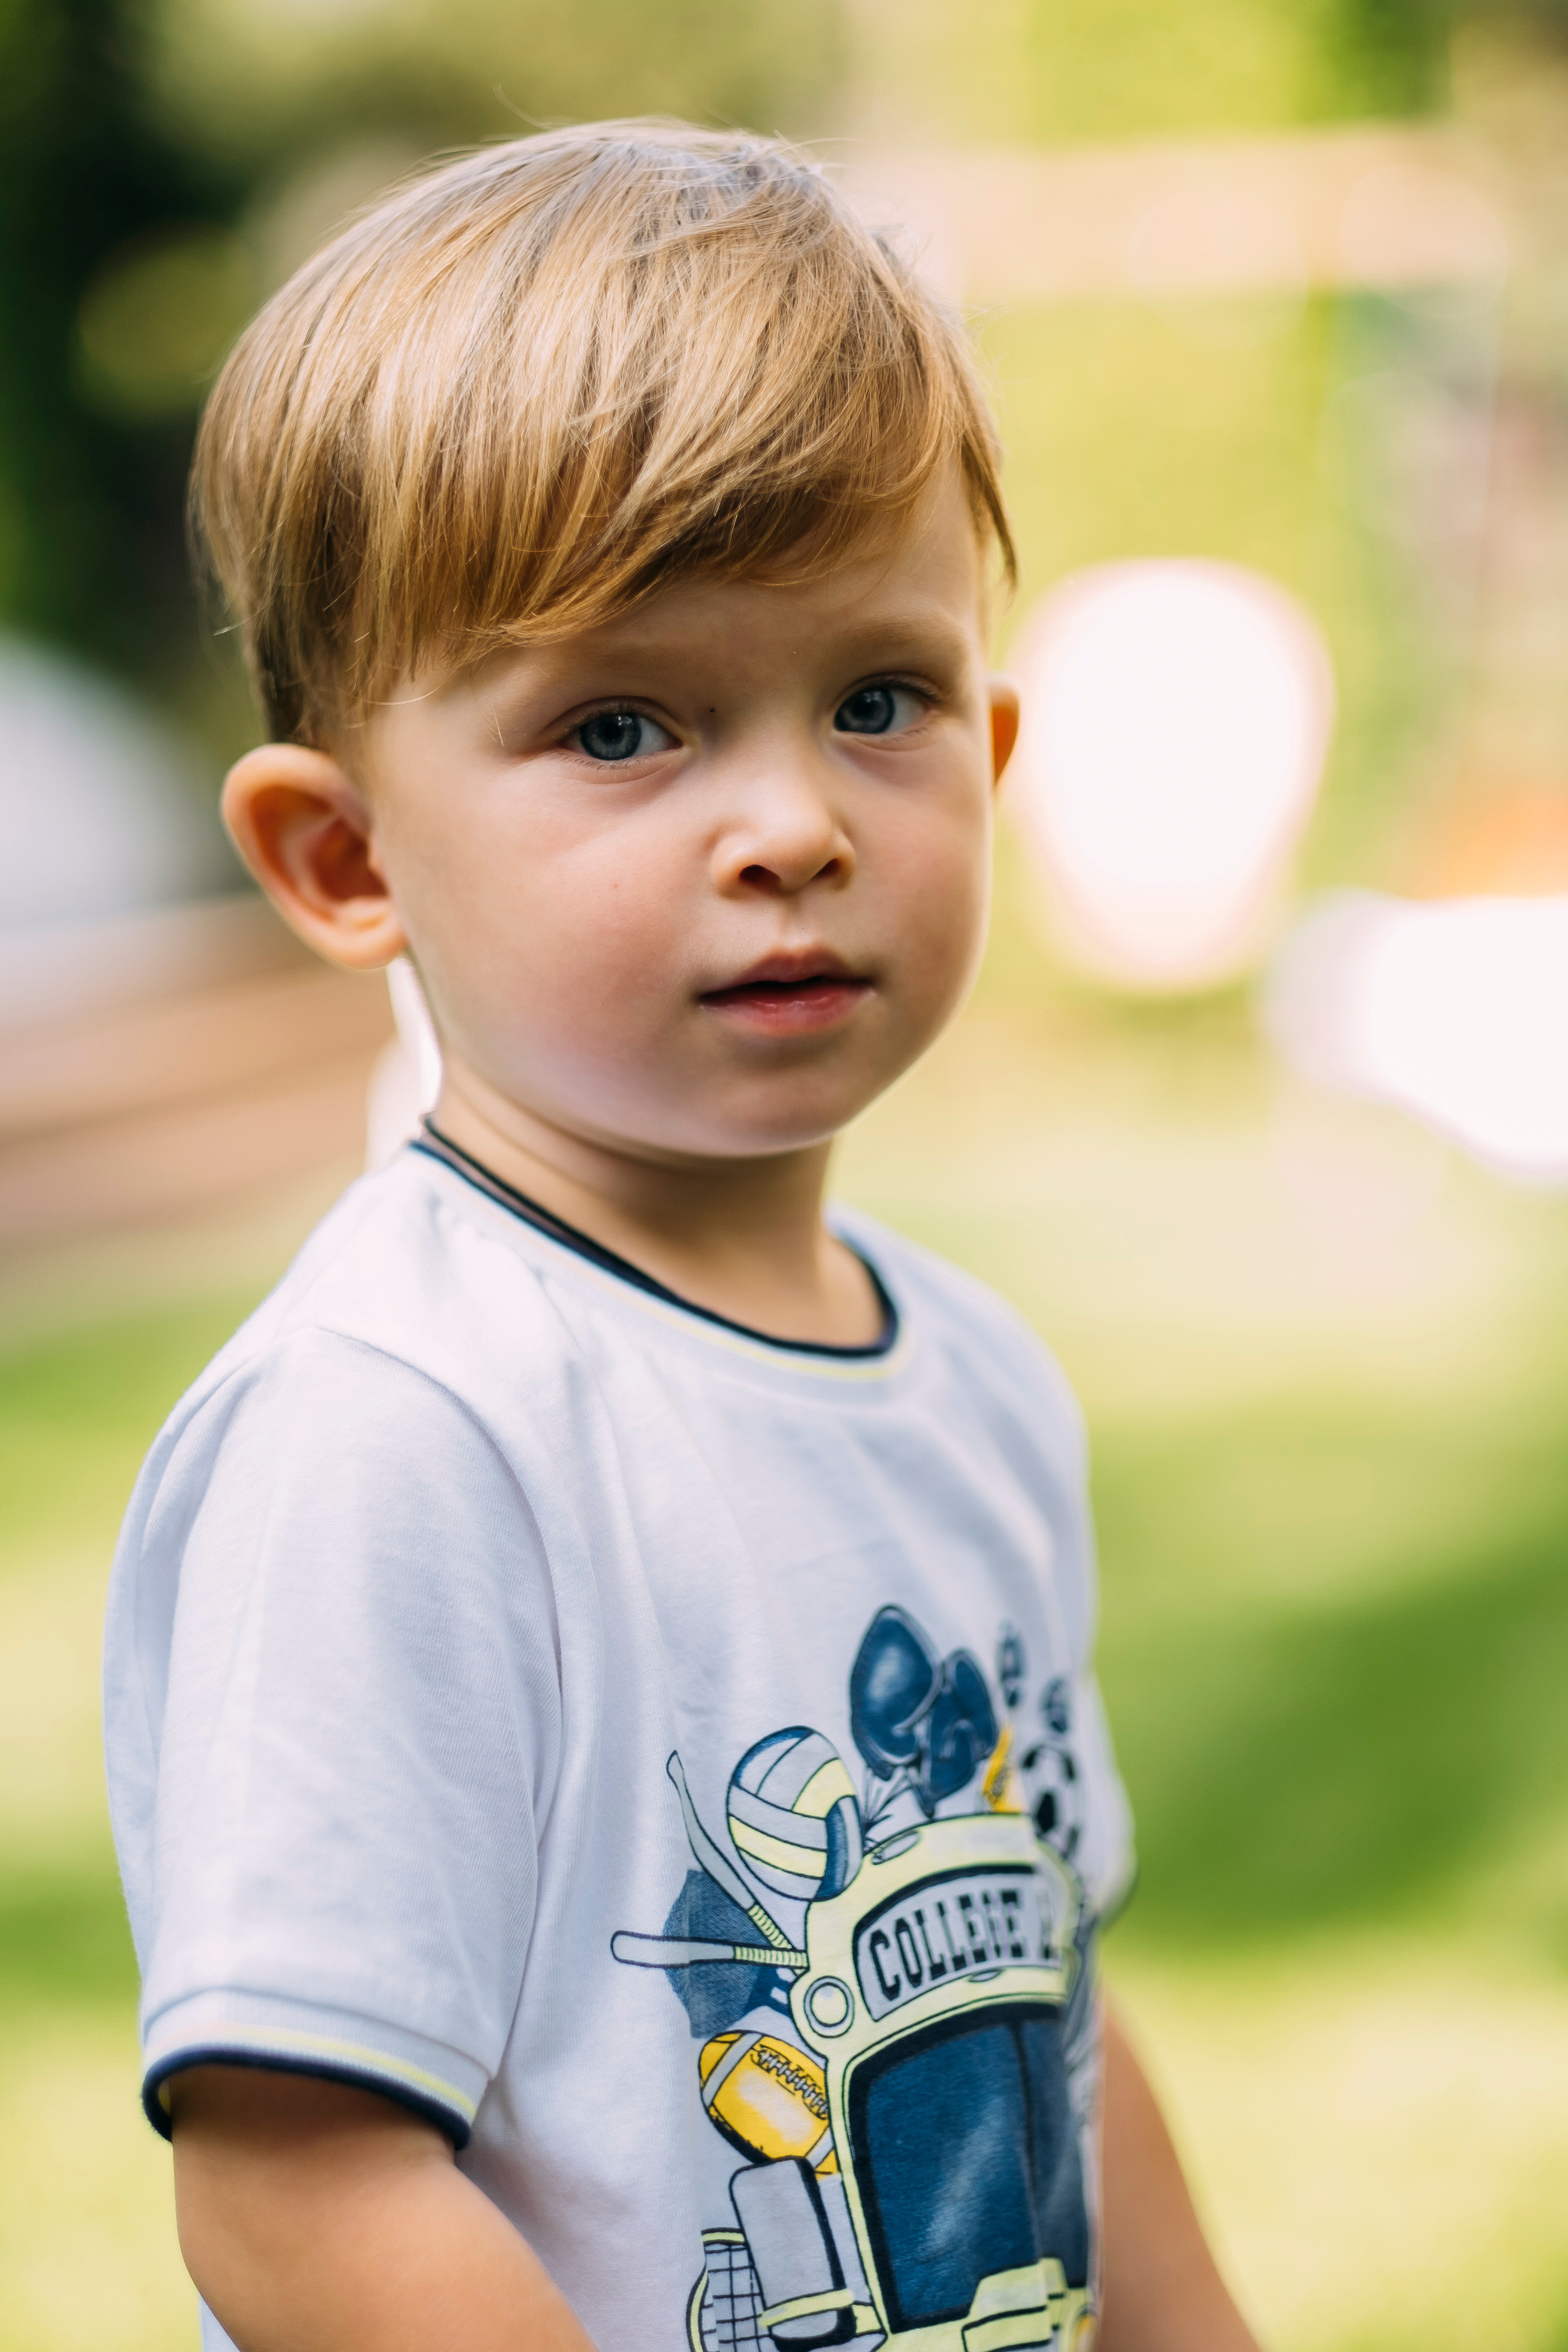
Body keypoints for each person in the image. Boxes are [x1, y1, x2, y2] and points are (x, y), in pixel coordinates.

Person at [103, 122, 1262, 2352]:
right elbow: (298, 2187)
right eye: (623, 724)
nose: (797, 824)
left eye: (877, 700)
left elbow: (1047, 2010)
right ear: (349, 860)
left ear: (993, 754)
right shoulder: (399, 1431)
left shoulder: (975, 1377)